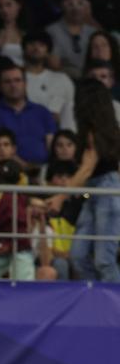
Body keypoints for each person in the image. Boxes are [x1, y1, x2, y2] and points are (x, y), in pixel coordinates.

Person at [69, 78, 120, 282]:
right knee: (78, 256)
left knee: (104, 261)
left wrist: (59, 197)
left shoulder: (102, 132)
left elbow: (87, 168)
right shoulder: (98, 131)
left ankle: (114, 300)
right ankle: (97, 296)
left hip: (107, 191)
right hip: (93, 193)